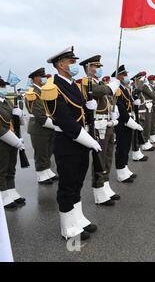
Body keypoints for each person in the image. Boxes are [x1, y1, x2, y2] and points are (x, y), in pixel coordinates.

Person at [43, 46, 100, 241]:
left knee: (77, 182)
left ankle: (78, 218)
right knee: (67, 185)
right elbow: (64, 121)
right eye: (71, 62)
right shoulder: (52, 87)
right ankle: (68, 227)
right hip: (67, 142)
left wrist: (89, 107)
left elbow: (80, 113)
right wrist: (90, 140)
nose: (74, 65)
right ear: (60, 64)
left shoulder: (73, 84)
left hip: (79, 141)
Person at [79, 55, 121, 206]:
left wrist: (113, 112)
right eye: (95, 66)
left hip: (108, 123)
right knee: (100, 158)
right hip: (98, 126)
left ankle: (106, 185)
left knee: (108, 156)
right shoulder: (87, 83)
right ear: (88, 68)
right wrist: (112, 86)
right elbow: (100, 91)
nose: (98, 69)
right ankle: (98, 191)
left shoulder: (99, 82)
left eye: (99, 66)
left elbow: (107, 97)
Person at [25, 68, 58, 185]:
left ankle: (47, 169)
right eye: (41, 76)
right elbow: (39, 113)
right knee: (41, 151)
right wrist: (55, 125)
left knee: (48, 149)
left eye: (44, 76)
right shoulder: (32, 93)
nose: (44, 78)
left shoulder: (44, 90)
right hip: (39, 126)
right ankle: (40, 174)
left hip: (48, 124)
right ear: (35, 78)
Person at [112, 65, 143, 184]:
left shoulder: (125, 88)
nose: (126, 77)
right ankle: (120, 171)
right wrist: (129, 121)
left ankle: (125, 167)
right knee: (122, 147)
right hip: (122, 121)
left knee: (126, 146)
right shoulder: (117, 89)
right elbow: (120, 107)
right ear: (118, 76)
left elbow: (129, 105)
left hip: (129, 118)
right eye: (124, 75)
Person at [0, 77, 26, 209]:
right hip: (2, 141)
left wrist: (19, 114)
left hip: (12, 138)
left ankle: (11, 191)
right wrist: (14, 140)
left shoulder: (8, 101)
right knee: (2, 169)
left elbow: (16, 122)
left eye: (3, 85)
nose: (2, 88)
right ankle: (3, 196)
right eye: (0, 86)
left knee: (11, 167)